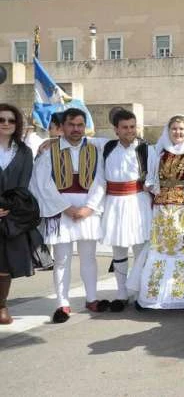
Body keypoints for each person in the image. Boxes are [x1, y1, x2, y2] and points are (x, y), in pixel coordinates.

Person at [29, 108, 108, 323]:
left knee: (89, 257)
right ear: (62, 127)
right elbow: (43, 183)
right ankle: (62, 303)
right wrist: (66, 207)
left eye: (80, 125)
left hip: (87, 211)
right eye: (71, 124)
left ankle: (92, 298)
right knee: (62, 259)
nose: (76, 129)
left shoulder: (95, 149)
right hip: (60, 211)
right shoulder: (49, 151)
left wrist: (89, 208)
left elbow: (101, 180)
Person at [128, 115, 184, 310]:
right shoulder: (159, 151)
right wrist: (152, 185)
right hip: (163, 211)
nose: (177, 132)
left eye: (181, 129)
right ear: (168, 131)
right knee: (159, 250)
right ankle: (153, 296)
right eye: (174, 128)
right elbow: (151, 177)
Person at [100, 109, 152, 312]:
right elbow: (81, 142)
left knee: (140, 249)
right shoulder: (106, 147)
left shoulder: (146, 149)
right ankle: (121, 293)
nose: (130, 131)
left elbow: (155, 174)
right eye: (125, 127)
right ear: (116, 129)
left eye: (132, 126)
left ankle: (140, 293)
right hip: (113, 202)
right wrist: (50, 142)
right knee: (118, 249)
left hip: (138, 201)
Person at [0, 103, 37, 325]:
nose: (6, 124)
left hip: (11, 215)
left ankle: (2, 306)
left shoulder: (24, 152)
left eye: (11, 120)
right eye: (1, 119)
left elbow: (23, 185)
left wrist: (8, 208)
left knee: (4, 264)